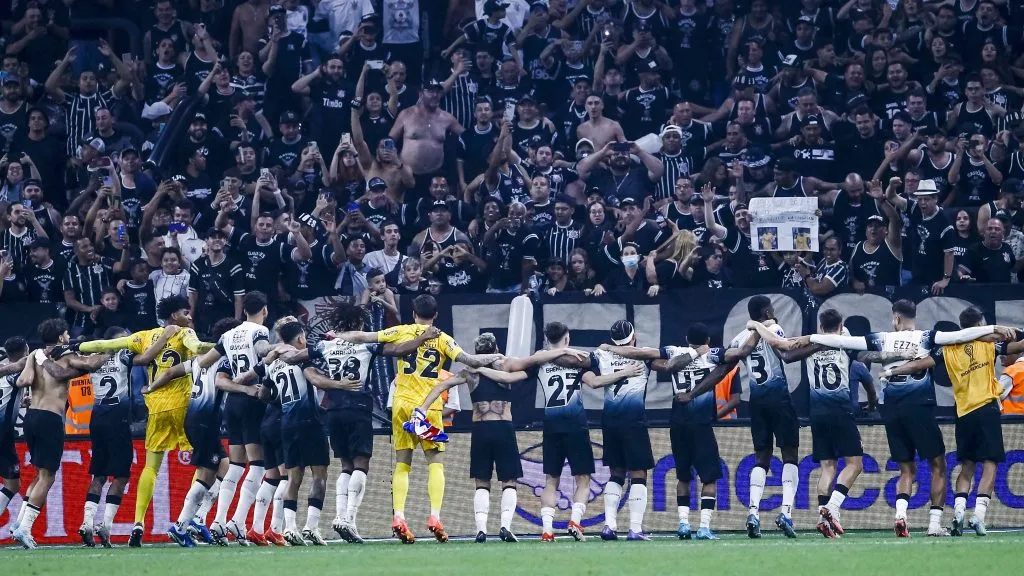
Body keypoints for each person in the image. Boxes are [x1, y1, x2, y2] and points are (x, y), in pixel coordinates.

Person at [802, 299, 1015, 537]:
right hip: (923, 408)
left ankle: (900, 515)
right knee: (938, 466)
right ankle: (935, 524)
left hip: (891, 410)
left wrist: (810, 339)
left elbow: (856, 349)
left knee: (906, 470)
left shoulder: (882, 338)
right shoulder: (929, 336)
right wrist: (993, 329)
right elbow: (956, 341)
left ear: (895, 318)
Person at [331, 294, 502, 543]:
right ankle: (434, 516)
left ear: (413, 314)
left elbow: (365, 337)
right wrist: (498, 357)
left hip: (401, 403)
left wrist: (337, 336)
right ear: (436, 314)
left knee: (403, 463)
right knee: (435, 462)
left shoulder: (401, 331)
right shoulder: (443, 339)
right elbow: (471, 360)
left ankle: (399, 516)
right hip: (427, 406)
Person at [275, 301, 435, 543]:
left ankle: (340, 516)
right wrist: (423, 338)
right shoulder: (366, 345)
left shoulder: (324, 344)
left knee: (345, 466)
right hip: (358, 407)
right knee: (361, 464)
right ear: (359, 323)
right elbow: (400, 350)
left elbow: (295, 357)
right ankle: (348, 518)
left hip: (333, 409)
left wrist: (276, 352)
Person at [412, 333, 589, 543]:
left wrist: (422, 409)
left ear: (477, 352)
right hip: (503, 428)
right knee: (509, 481)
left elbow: (441, 386)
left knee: (481, 482)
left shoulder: (470, 371)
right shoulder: (506, 364)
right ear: (496, 348)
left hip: (479, 430)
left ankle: (482, 530)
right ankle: (505, 526)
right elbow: (533, 361)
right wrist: (565, 350)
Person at [76, 296, 215, 547]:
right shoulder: (183, 332)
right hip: (183, 406)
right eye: (186, 312)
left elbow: (104, 343)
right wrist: (222, 345)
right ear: (174, 315)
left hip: (154, 408)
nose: (190, 317)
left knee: (151, 467)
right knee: (206, 462)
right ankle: (190, 520)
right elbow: (198, 347)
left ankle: (137, 522)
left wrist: (79, 346)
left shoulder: (142, 337)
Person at [745, 310, 890, 539]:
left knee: (828, 467)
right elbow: (868, 358)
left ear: (821, 326)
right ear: (841, 326)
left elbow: (785, 353)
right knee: (855, 465)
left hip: (817, 414)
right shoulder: (845, 344)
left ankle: (823, 520)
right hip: (841, 411)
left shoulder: (812, 343)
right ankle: (831, 508)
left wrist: (757, 325)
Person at [880, 307, 1024, 537]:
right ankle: (978, 516)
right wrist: (1003, 332)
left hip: (963, 413)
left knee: (967, 465)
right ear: (980, 325)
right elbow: (1020, 343)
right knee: (990, 463)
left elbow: (919, 364)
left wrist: (894, 371)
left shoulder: (948, 349)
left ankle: (958, 513)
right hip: (986, 409)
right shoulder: (991, 345)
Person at [599, 323, 735, 541]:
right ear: (708, 340)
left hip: (672, 423)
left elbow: (664, 363)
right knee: (707, 477)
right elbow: (736, 355)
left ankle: (679, 524)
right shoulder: (712, 355)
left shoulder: (669, 352)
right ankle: (700, 526)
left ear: (686, 337)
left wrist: (609, 348)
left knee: (679, 475)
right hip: (694, 424)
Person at [78, 325, 180, 548]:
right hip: (118, 418)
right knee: (121, 476)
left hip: (96, 418)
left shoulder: (93, 359)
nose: (129, 342)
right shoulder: (123, 355)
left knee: (99, 474)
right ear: (114, 342)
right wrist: (165, 336)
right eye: (124, 339)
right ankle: (105, 525)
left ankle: (86, 522)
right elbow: (146, 358)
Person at [12, 319, 109, 549]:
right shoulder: (65, 355)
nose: (68, 336)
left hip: (31, 416)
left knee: (38, 475)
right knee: (48, 477)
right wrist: (107, 351)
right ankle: (25, 528)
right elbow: (92, 364)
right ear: (61, 337)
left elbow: (23, 380)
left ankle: (18, 525)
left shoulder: (35, 355)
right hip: (50, 419)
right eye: (66, 333)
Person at [155, 318, 242, 548]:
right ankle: (181, 525)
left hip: (193, 419)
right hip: (206, 422)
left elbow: (170, 372)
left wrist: (151, 387)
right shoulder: (225, 359)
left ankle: (199, 518)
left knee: (225, 466)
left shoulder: (198, 359)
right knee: (206, 474)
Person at [196, 291, 272, 545]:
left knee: (237, 465)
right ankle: (237, 520)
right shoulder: (259, 332)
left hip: (233, 404)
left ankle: (218, 520)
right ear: (264, 310)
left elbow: (205, 362)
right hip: (253, 399)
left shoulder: (229, 335)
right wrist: (274, 352)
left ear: (243, 311)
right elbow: (263, 352)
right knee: (258, 465)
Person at [584, 320, 657, 542]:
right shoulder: (643, 355)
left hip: (610, 420)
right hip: (633, 420)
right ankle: (635, 528)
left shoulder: (601, 355)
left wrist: (607, 348)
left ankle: (609, 525)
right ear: (634, 337)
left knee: (616, 473)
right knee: (639, 473)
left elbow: (587, 371)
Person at [0, 337, 29, 525]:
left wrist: (19, 403)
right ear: (25, 350)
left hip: (5, 434)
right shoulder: (17, 372)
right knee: (12, 483)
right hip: (2, 434)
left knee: (13, 483)